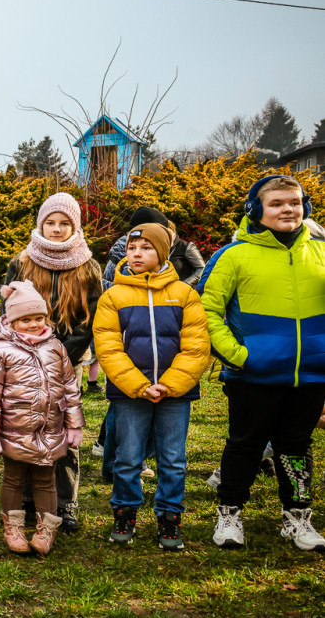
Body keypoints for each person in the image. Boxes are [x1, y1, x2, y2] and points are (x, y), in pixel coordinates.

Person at [199, 175, 325, 551]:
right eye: (277, 203)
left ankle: (298, 518)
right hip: (252, 376)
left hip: (310, 376)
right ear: (256, 210)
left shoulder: (321, 252)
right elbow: (206, 310)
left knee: (297, 448)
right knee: (245, 445)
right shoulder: (232, 255)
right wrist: (239, 356)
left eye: (295, 202)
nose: (288, 209)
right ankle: (230, 512)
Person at [94, 223, 210, 551]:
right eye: (132, 248)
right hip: (131, 394)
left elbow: (196, 346)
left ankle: (169, 517)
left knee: (173, 458)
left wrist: (170, 385)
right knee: (128, 457)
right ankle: (125, 513)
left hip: (176, 394)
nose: (137, 254)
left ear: (162, 252)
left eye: (146, 248)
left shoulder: (184, 295)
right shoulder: (113, 297)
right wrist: (139, 385)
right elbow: (108, 347)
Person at [2, 192, 101, 534]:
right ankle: (29, 497)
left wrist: (61, 355)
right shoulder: (23, 261)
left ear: (75, 226)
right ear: (41, 223)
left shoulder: (87, 265)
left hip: (66, 361)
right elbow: (9, 311)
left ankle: (64, 502)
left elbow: (91, 319)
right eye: (51, 223)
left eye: (64, 224)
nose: (57, 230)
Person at [0, 280, 84, 555]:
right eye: (25, 319)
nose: (34, 324)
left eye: (38, 317)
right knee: (13, 478)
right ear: (12, 321)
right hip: (14, 430)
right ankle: (13, 527)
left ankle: (45, 530)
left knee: (46, 479)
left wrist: (74, 424)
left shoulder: (56, 347)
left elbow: (71, 387)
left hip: (50, 430)